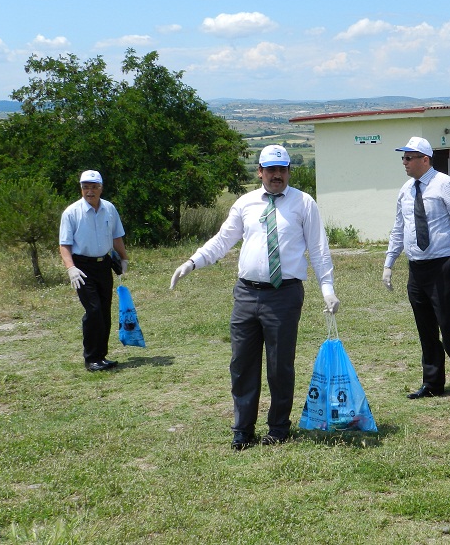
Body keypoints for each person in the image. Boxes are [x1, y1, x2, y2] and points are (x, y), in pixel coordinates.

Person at [170, 144, 340, 450]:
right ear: (259, 172)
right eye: (271, 170)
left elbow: (318, 249)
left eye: (282, 169)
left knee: (280, 365)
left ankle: (278, 427)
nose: (277, 175)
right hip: (246, 294)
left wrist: (327, 288)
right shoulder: (245, 204)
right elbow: (223, 240)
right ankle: (243, 430)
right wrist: (192, 262)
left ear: (289, 171)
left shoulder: (304, 203)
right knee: (242, 364)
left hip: (284, 294)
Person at [383, 136, 450, 404]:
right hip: (417, 268)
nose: (404, 163)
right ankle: (432, 382)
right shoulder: (406, 190)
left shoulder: (445, 185)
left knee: (449, 325)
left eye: (408, 158)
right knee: (425, 328)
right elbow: (399, 228)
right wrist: (389, 262)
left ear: (424, 160)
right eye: (403, 158)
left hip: (443, 265)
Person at [59, 170, 129, 372]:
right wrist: (71, 268)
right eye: (85, 187)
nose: (90, 191)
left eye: (94, 186)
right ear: (81, 188)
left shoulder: (109, 209)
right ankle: (91, 358)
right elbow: (64, 245)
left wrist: (124, 258)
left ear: (101, 188)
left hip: (103, 264)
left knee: (105, 310)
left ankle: (101, 356)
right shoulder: (71, 212)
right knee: (94, 310)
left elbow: (117, 237)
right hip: (82, 267)